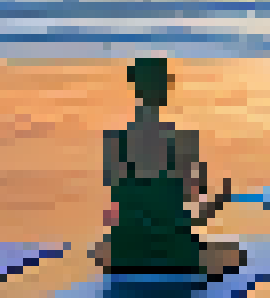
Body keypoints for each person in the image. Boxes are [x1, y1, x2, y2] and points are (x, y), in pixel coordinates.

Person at [95, 57, 245, 278]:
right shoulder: (182, 141)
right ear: (163, 88)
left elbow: (118, 201)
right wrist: (221, 199)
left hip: (127, 252)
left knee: (105, 247)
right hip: (174, 252)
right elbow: (196, 215)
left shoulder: (115, 141)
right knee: (235, 253)